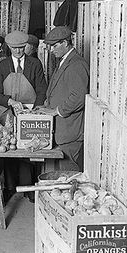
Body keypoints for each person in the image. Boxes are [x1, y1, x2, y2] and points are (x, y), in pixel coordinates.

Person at [0, 31, 48, 202]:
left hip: (29, 113)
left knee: (28, 149)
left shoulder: (34, 64)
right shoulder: (2, 65)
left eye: (21, 48)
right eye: (14, 48)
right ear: (8, 47)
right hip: (6, 113)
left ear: (27, 46)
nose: (18, 51)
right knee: (8, 150)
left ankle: (29, 187)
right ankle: (9, 187)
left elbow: (41, 90)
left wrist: (35, 111)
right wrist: (9, 101)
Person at [38, 26, 89, 171]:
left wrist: (56, 110)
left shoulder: (77, 64)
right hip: (61, 129)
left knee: (67, 173)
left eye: (54, 46)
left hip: (70, 131)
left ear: (66, 43)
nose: (51, 50)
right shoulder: (64, 61)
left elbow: (79, 97)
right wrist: (46, 106)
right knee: (56, 173)